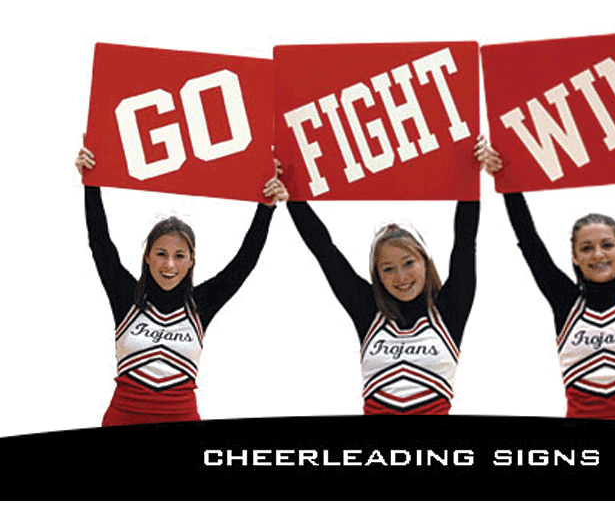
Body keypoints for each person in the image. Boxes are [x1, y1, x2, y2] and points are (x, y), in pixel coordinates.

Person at [478, 140, 615, 421]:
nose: (598, 254)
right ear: (574, 257)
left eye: (607, 245)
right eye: (586, 248)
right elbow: (529, 241)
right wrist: (505, 178)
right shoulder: (565, 301)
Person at [75, 142, 288, 426]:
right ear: (148, 257)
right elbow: (100, 242)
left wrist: (266, 208)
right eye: (161, 254)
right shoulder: (126, 296)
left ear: (191, 261)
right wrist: (91, 182)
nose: (170, 265)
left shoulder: (200, 304)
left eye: (179, 256)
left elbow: (244, 262)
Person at [283, 136, 488, 415]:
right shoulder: (368, 311)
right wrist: (290, 189)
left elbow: (465, 241)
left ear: (424, 263)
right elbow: (324, 250)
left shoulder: (450, 310)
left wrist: (469, 169)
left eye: (408, 263)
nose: (400, 276)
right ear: (377, 275)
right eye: (388, 268)